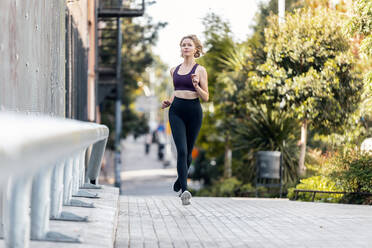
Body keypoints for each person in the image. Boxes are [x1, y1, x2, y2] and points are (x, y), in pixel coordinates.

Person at [161, 34, 209, 205]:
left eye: (189, 45)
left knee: (188, 153)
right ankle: (184, 190)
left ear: (195, 49)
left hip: (194, 112)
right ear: (181, 49)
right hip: (176, 112)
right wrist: (168, 102)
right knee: (181, 150)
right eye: (183, 45)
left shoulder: (200, 70)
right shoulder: (173, 70)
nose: (186, 47)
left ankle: (179, 180)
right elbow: (176, 91)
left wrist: (196, 86)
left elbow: (206, 97)